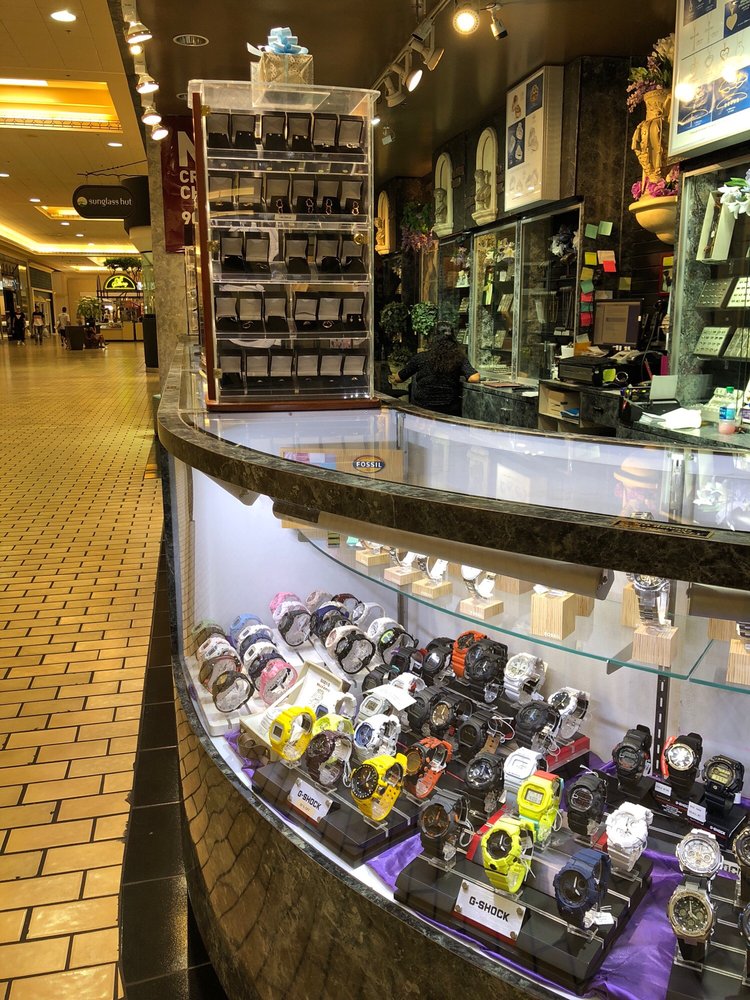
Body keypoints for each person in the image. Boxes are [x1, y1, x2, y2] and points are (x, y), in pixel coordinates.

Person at [391, 321, 479, 416]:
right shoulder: (459, 358)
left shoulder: (421, 357)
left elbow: (399, 378)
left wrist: (393, 377)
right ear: (453, 339)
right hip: (449, 411)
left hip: (422, 410)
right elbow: (474, 378)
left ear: (433, 338)